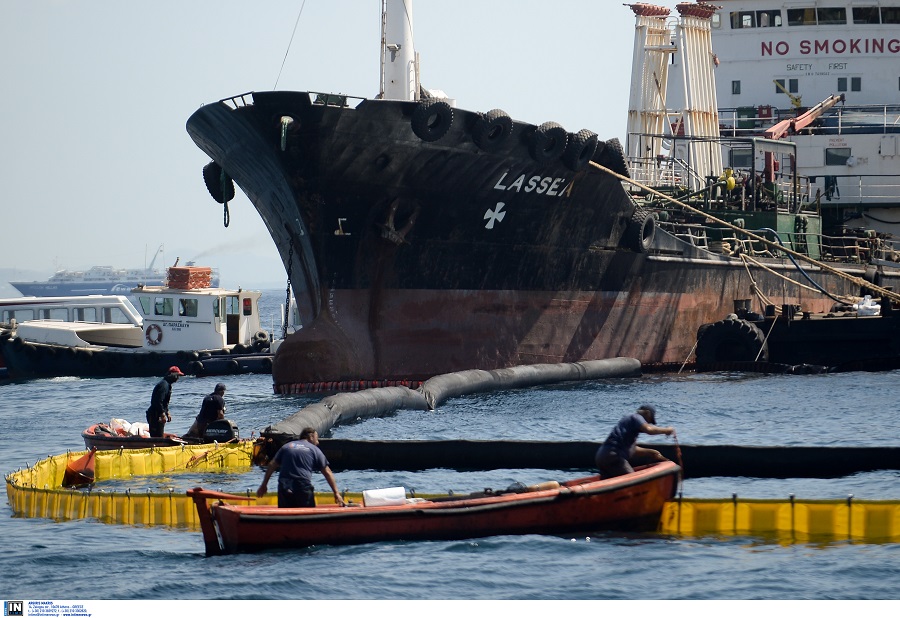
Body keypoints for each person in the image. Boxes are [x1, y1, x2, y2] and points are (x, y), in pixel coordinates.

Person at [257, 428, 345, 508]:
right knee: (308, 517)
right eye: (316, 438)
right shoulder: (314, 449)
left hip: (284, 487)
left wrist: (264, 485)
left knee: (285, 516)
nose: (318, 442)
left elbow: (272, 465)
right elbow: (327, 472)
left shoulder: (287, 447)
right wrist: (336, 493)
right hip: (302, 487)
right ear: (311, 437)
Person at [594, 404, 675, 479]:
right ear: (647, 413)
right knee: (632, 480)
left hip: (602, 456)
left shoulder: (628, 423)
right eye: (649, 421)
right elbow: (649, 430)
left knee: (611, 486)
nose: (648, 423)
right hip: (614, 457)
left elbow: (631, 449)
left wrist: (651, 452)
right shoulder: (636, 417)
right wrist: (667, 430)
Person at [145, 366, 184, 438]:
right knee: (156, 436)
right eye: (177, 376)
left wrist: (167, 412)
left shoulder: (167, 385)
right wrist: (162, 414)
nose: (178, 378)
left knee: (159, 433)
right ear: (172, 375)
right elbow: (158, 401)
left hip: (157, 413)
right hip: (155, 414)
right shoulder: (164, 385)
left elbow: (164, 402)